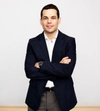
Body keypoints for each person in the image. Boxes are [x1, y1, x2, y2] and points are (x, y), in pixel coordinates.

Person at [24, 4, 77, 111]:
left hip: (61, 96)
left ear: (59, 20)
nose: (49, 21)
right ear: (41, 21)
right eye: (45, 18)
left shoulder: (69, 42)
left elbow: (67, 71)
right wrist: (57, 69)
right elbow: (29, 71)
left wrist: (41, 64)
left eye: (53, 18)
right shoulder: (33, 43)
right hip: (37, 96)